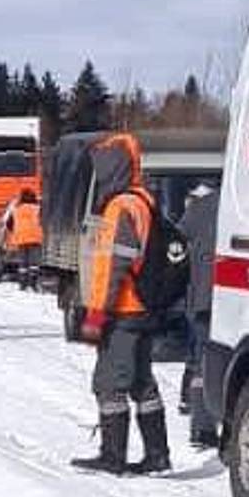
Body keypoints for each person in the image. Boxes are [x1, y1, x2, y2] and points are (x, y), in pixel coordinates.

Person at [70, 133, 171, 475]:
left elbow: (112, 268)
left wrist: (97, 313)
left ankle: (113, 456)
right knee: (142, 382)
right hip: (143, 308)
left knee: (110, 382)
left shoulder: (119, 208)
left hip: (123, 310)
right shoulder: (144, 201)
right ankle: (158, 455)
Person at [178, 179, 220, 448]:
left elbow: (178, 243)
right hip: (237, 298)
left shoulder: (199, 208)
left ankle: (201, 428)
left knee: (201, 361)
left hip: (202, 297)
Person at [9, 188, 43, 290]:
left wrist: (15, 231)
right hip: (35, 237)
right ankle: (33, 284)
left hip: (20, 238)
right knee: (34, 263)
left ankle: (22, 284)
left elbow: (9, 224)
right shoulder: (38, 208)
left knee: (23, 263)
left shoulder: (16, 209)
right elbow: (43, 221)